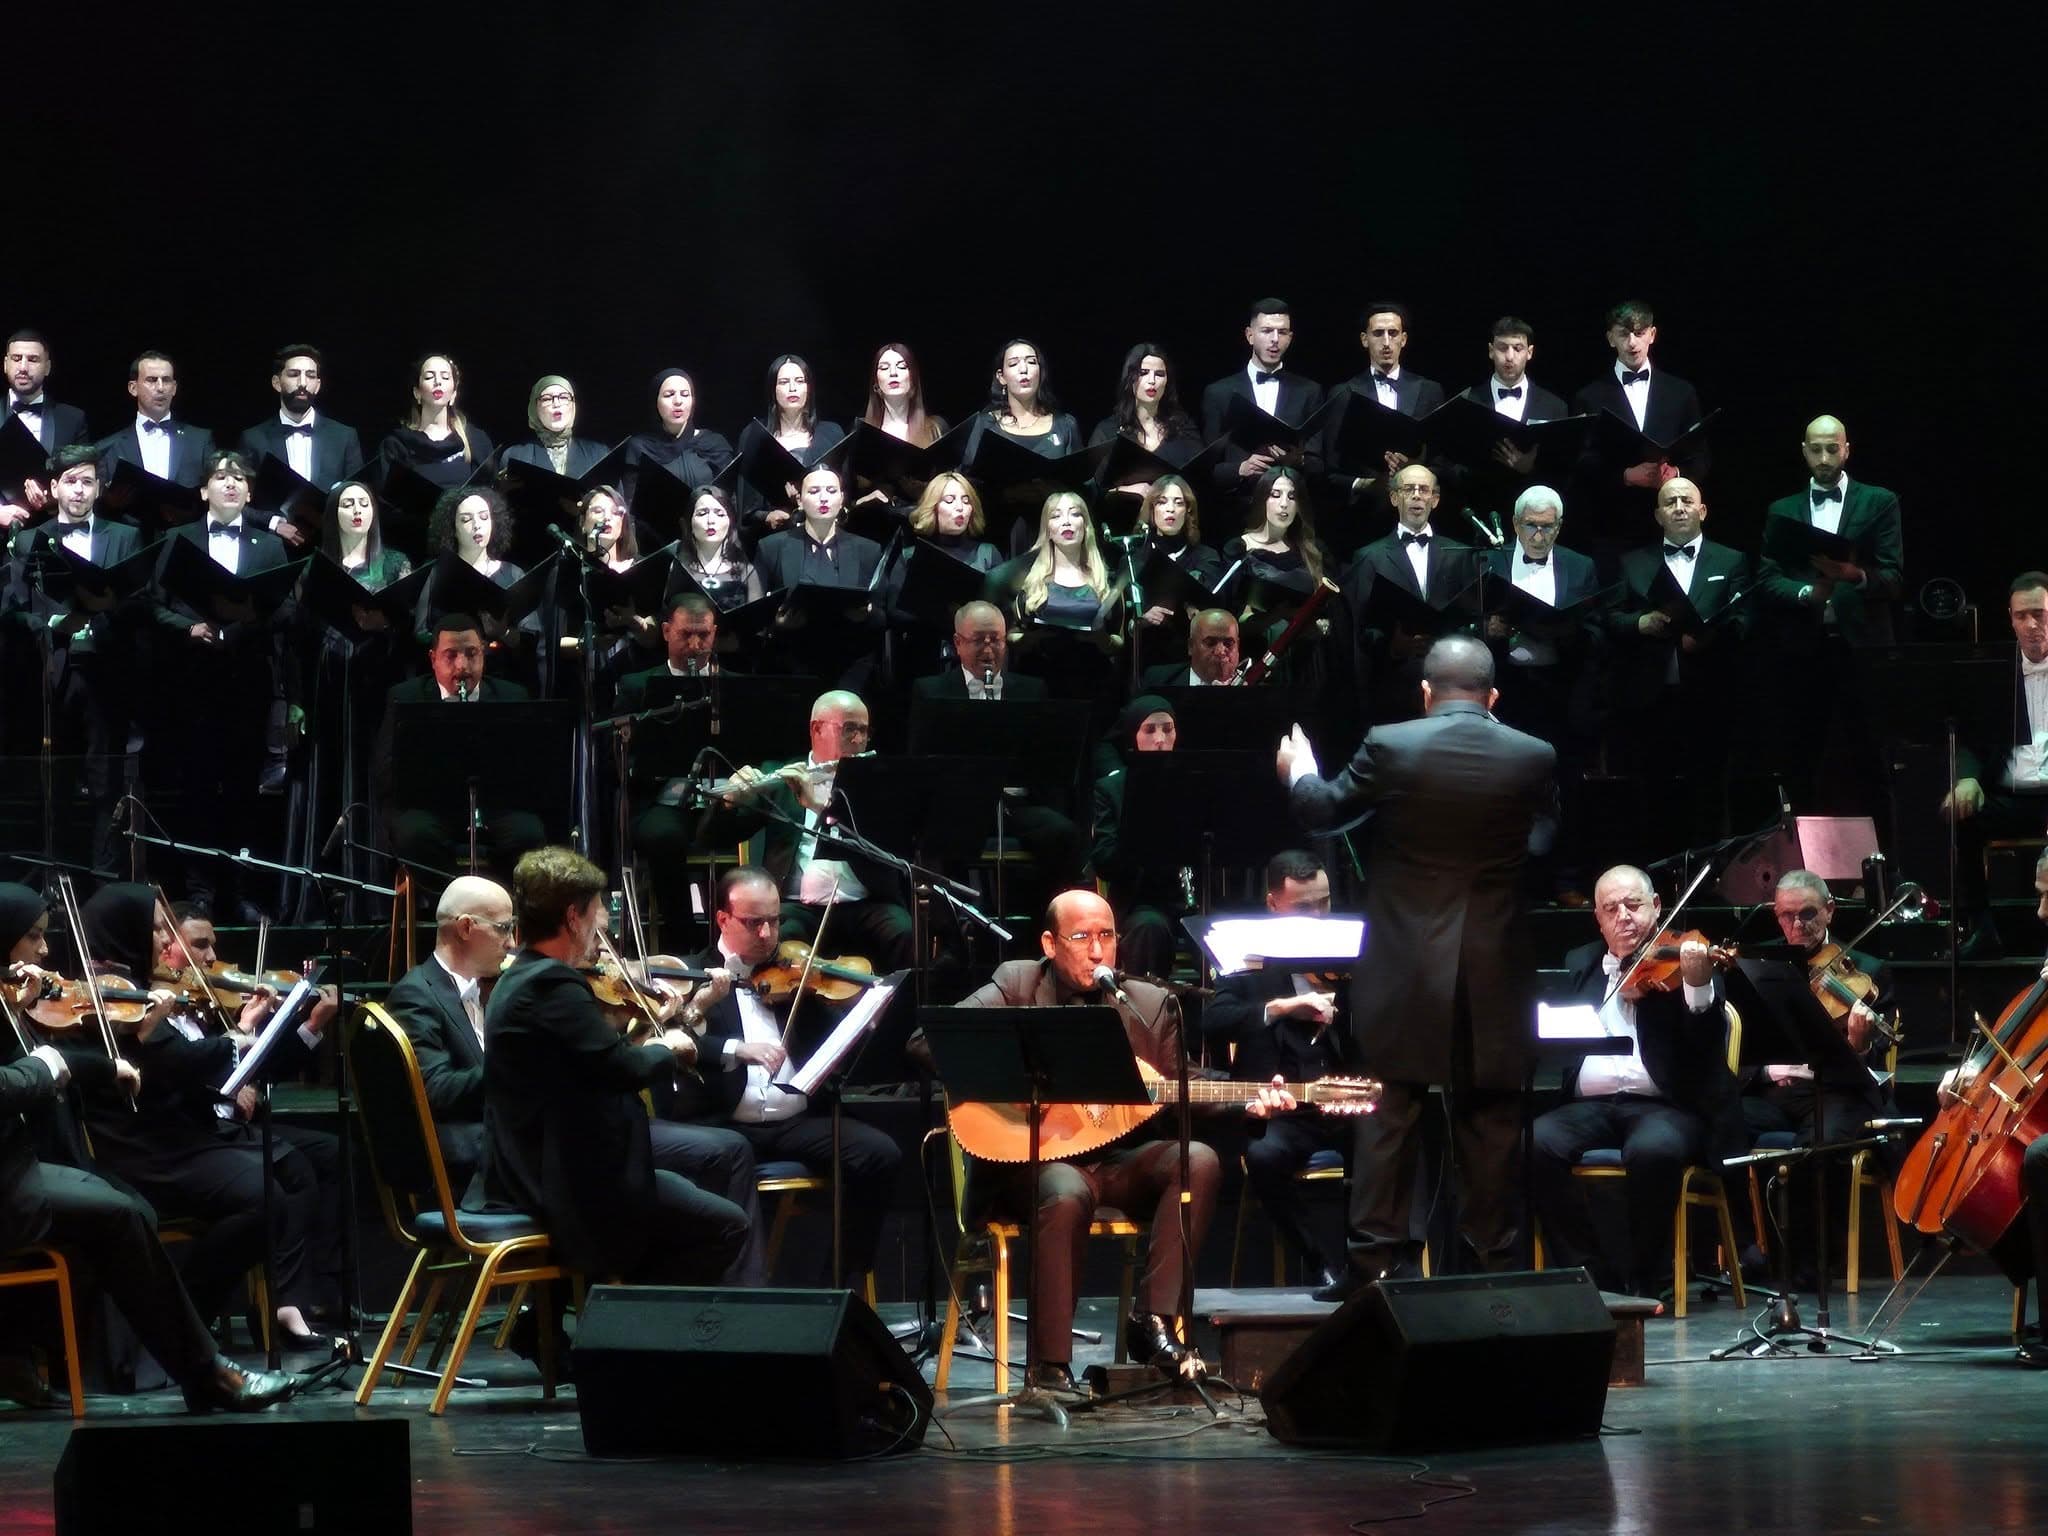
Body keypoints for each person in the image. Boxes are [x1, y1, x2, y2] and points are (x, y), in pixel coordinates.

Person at [1278, 635, 1557, 1298]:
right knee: (1490, 1114)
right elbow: (1544, 845)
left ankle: (1373, 1263)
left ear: (1426, 693)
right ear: (1493, 697)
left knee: (1387, 1108)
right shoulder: (1533, 755)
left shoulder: (1392, 744)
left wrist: (1299, 769)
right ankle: (1491, 1266)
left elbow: (1323, 811)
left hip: (1406, 965)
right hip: (1494, 963)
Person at [950, 887, 1294, 1395]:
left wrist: (1249, 1102)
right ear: (1049, 943)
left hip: (1119, 1160)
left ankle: (1151, 1321)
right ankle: (1048, 1368)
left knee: (1196, 1159)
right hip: (1034, 1164)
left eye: (1106, 936)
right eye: (1081, 937)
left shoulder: (1149, 1004)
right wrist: (1029, 1081)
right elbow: (932, 1042)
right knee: (1066, 1188)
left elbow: (1183, 1087)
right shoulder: (1015, 983)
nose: (1096, 951)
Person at [0, 885, 299, 1411]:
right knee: (119, 1212)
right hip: (7, 1179)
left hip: (21, 1164)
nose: (45, 953)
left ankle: (39, 1356)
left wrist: (107, 1065)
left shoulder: (10, 999)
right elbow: (19, 1078)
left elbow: (50, 1064)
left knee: (127, 1207)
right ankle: (205, 1374)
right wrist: (46, 1064)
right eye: (33, 937)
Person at [74, 884, 337, 1349]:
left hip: (175, 1133)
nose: (162, 939)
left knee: (281, 1176)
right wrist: (236, 1039)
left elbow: (178, 1064)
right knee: (264, 1195)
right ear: (124, 931)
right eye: (154, 929)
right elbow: (171, 1063)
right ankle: (180, 1319)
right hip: (142, 1148)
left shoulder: (137, 989)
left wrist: (240, 1039)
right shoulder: (102, 997)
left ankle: (218, 1315)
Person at [473, 847, 749, 1284]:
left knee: (696, 1192)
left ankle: (623, 1320)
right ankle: (628, 1332)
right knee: (726, 1225)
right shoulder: (552, 985)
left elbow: (595, 1063)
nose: (600, 932)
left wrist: (641, 1033)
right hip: (566, 1183)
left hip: (553, 1166)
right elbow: (625, 1070)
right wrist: (671, 1048)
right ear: (571, 918)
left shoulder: (521, 977)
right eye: (596, 914)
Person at [668, 867, 901, 1286]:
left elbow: (834, 1047)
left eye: (774, 921)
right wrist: (733, 1049)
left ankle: (840, 1283)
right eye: (754, 923)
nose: (767, 935)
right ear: (722, 919)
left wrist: (859, 1019)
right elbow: (672, 1039)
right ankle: (743, 1298)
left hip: (794, 1123)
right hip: (724, 1125)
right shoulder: (690, 976)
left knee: (879, 1154)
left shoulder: (798, 978)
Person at [1529, 865, 1735, 1302]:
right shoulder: (1581, 963)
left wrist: (1696, 984)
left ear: (1657, 906)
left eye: (1634, 904)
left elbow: (1706, 1039)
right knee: (1536, 1141)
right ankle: (1589, 1274)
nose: (1623, 916)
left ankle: (1646, 1275)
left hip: (1666, 1105)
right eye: (1610, 908)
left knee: (1653, 1150)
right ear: (1598, 920)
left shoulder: (1683, 959)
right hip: (1591, 1106)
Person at [146, 450, 296, 919]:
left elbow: (286, 608)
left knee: (243, 793)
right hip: (192, 683)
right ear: (203, 488)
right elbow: (153, 604)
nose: (230, 483)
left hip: (247, 681)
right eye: (220, 476)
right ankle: (200, 892)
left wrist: (241, 625)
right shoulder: (178, 539)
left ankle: (239, 890)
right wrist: (188, 629)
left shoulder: (269, 547)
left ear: (250, 494)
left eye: (238, 479)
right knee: (195, 792)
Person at [1199, 850, 1354, 1288]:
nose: (1319, 917)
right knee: (1264, 1157)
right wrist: (1282, 1007)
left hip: (1346, 1097)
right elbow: (1214, 1019)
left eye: (1324, 903)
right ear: (1273, 905)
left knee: (1396, 1138)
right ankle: (1321, 1264)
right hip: (1281, 1107)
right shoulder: (1247, 956)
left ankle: (1377, 1261)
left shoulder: (1351, 952)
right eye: (1304, 908)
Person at [2, 445, 144, 876]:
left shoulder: (125, 537)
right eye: (70, 481)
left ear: (99, 488)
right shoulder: (29, 539)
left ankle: (103, 881)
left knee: (105, 785)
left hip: (106, 674)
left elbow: (140, 604)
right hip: (51, 676)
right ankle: (54, 879)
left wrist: (102, 617)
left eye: (86, 481)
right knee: (54, 783)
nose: (78, 490)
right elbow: (10, 609)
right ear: (53, 487)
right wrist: (53, 623)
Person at [709, 691, 916, 973]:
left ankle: (899, 1015)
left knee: (903, 932)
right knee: (780, 940)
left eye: (864, 731)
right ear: (816, 729)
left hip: (866, 901)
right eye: (849, 729)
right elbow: (713, 837)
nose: (858, 740)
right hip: (798, 905)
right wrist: (729, 802)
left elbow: (887, 849)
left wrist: (818, 806)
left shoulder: (881, 781)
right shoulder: (783, 777)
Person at [1599, 476, 1753, 841]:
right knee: (1653, 792)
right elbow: (1610, 618)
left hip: (1711, 694)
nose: (1679, 507)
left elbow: (1744, 620)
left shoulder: (1731, 560)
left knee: (1710, 790)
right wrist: (1641, 622)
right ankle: (1657, 878)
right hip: (1649, 697)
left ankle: (1710, 879)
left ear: (1702, 510)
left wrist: (1707, 636)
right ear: (1657, 515)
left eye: (1686, 500)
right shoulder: (1632, 562)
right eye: (1670, 502)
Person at [372, 613, 544, 891]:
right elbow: (385, 769)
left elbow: (530, 768)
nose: (462, 666)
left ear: (484, 654)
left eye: (471, 654)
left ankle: (499, 909)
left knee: (529, 835)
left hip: (494, 808)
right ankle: (452, 907)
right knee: (414, 838)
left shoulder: (512, 695)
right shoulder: (405, 697)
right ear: (433, 659)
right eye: (450, 656)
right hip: (431, 809)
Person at [1946, 573, 2048, 950]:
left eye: (2040, 613)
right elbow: (1972, 737)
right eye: (2022, 616)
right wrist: (1968, 778)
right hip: (2010, 794)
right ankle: (1981, 928)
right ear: (2010, 618)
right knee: (1964, 816)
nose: (2032, 624)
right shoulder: (1995, 671)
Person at [1344, 463, 1482, 725]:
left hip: (1451, 685)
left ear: (1435, 499)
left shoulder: (1461, 554)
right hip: (1395, 684)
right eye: (1409, 489)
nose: (1417, 495)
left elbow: (1471, 617)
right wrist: (1393, 646)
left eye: (1424, 489)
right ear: (1395, 498)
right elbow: (1361, 626)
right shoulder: (1369, 557)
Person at [1755, 414, 1904, 648]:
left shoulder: (1880, 501)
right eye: (1816, 449)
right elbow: (1767, 578)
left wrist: (1856, 575)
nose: (1823, 459)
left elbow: (1893, 579)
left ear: (1846, 450)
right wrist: (1807, 592)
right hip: (1799, 644)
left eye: (1832, 449)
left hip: (1865, 640)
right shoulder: (1781, 510)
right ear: (1804, 451)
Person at [1571, 300, 1708, 522]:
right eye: (1624, 334)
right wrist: (1625, 476)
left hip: (1672, 519)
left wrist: (1676, 474)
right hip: (1611, 520)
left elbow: (1701, 455)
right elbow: (1581, 460)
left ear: (1652, 335)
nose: (1632, 343)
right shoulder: (1588, 397)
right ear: (1610, 339)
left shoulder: (1681, 391)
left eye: (1639, 333)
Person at [1089, 694, 1188, 980]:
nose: (1160, 739)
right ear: (1133, 737)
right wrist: (1141, 835)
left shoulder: (1192, 781)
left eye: (1167, 729)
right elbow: (1104, 860)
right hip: (1141, 901)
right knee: (1149, 927)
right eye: (1150, 730)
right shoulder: (1112, 788)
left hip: (1188, 898)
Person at [1321, 301, 1447, 515]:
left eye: (1393, 333)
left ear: (1403, 339)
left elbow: (1442, 462)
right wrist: (1366, 484)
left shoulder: (1429, 391)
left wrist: (1415, 470)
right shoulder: (1343, 393)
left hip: (1418, 512)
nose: (1386, 342)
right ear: (1364, 339)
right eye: (1378, 333)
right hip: (1362, 513)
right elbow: (1331, 470)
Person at [1200, 298, 1324, 492]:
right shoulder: (1218, 393)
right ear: (1250, 335)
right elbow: (1206, 468)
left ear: (1290, 338)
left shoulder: (1309, 391)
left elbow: (1319, 464)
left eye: (1282, 332)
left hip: (1290, 504)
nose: (1275, 339)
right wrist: (1240, 469)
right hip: (1236, 508)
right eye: (1266, 331)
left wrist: (1298, 460)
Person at [235, 344, 367, 513]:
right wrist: (273, 523)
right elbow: (239, 501)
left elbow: (358, 495)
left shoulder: (344, 436)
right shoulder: (252, 438)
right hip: (272, 536)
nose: (303, 383)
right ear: (276, 383)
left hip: (329, 536)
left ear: (318, 385)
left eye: (310, 376)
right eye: (294, 374)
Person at [736, 353, 846, 536]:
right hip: (773, 538)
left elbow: (845, 492)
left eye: (799, 381)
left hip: (826, 535)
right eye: (784, 382)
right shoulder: (754, 436)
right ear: (773, 389)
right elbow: (744, 504)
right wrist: (767, 516)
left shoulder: (831, 434)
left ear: (809, 388)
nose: (793, 388)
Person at [1, 330, 92, 525]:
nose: (23, 367)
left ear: (47, 367)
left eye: (33, 359)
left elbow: (85, 481)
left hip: (54, 533)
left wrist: (52, 498)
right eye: (17, 359)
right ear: (5, 364)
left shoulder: (73, 419)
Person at [1089, 342, 1204, 493]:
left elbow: (1201, 478)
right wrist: (1123, 490)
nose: (1152, 381)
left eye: (1159, 374)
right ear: (1130, 377)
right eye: (1143, 372)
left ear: (1167, 381)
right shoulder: (1108, 431)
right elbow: (1093, 489)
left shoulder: (1183, 428)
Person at [98, 350, 214, 488]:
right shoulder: (108, 448)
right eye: (152, 380)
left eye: (166, 380)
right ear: (133, 388)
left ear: (174, 388)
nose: (160, 388)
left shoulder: (200, 441)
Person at [377, 352, 493, 489]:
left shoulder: (476, 441)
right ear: (417, 393)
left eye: (445, 377)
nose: (437, 382)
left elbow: (489, 495)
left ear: (454, 394)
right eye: (429, 377)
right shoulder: (398, 445)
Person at [625, 367, 734, 497]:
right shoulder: (640, 447)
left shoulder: (714, 444)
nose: (678, 401)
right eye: (669, 395)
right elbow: (631, 504)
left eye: (685, 394)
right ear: (656, 401)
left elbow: (729, 502)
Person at [498, 375, 607, 479]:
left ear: (573, 405)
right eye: (547, 399)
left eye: (564, 397)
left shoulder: (598, 454)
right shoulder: (515, 456)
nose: (556, 403)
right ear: (535, 408)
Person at [676, 485, 765, 610]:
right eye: (702, 513)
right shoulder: (677, 570)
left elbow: (755, 621)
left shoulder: (746, 572)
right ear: (689, 521)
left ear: (730, 522)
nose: (711, 520)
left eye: (720, 514)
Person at [862, 342, 947, 447]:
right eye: (884, 368)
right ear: (876, 382)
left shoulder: (936, 428)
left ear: (913, 379)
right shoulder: (860, 432)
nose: (893, 372)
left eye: (902, 366)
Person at [1140, 608, 1241, 689]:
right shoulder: (1158, 680)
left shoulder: (1251, 683)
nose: (1220, 651)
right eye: (1210, 643)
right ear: (1191, 646)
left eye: (1228, 643)